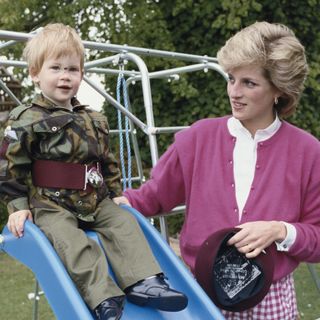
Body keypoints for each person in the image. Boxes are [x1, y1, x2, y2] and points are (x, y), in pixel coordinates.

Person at [113, 21, 320, 319]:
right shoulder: (196, 138)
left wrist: (279, 230)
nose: (234, 92)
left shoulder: (309, 152)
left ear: (279, 90)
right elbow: (151, 197)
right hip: (201, 295)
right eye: (231, 78)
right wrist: (111, 204)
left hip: (271, 300)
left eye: (249, 83)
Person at [0, 23, 188, 320]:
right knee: (73, 242)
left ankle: (145, 281)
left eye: (73, 69)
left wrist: (114, 195)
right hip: (52, 204)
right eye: (56, 68)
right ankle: (104, 299)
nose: (65, 76)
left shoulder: (93, 119)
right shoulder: (27, 119)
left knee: (125, 223)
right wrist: (18, 207)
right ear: (35, 73)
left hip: (94, 199)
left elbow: (107, 161)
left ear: (81, 75)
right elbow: (9, 166)